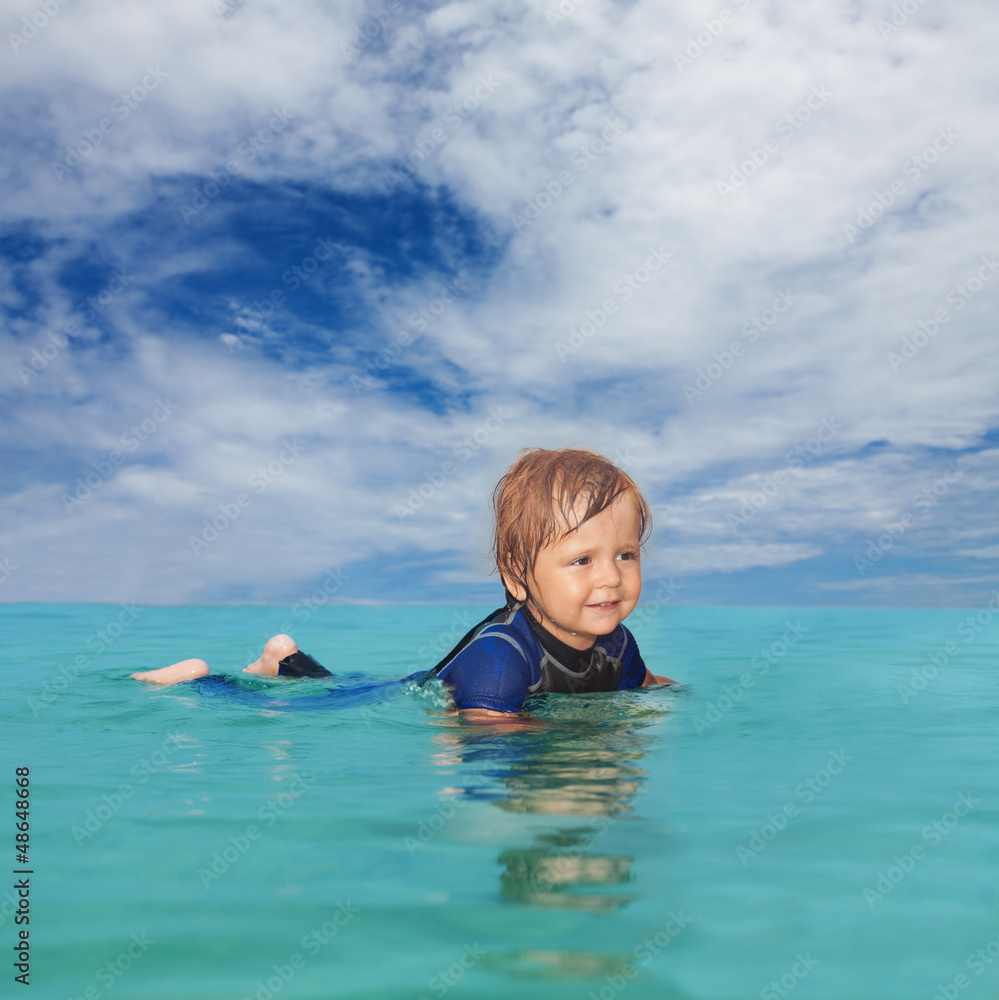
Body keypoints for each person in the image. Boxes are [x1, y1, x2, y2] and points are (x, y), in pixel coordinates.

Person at [132, 447, 676, 716]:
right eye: (582, 560)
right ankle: (195, 682)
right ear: (517, 576)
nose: (610, 577)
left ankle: (286, 659)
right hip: (407, 699)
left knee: (333, 683)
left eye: (625, 554)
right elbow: (488, 734)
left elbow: (648, 686)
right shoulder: (502, 655)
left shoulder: (616, 642)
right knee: (328, 703)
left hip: (415, 683)